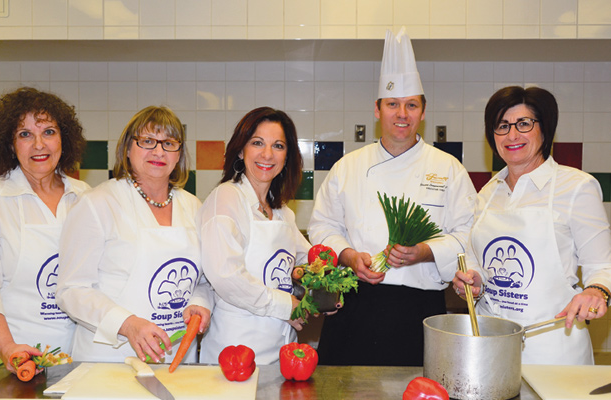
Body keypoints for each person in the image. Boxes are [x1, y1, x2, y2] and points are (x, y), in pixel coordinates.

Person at [307, 28, 477, 366]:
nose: (402, 114)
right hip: (354, 307)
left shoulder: (449, 169)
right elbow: (322, 226)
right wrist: (349, 255)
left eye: (411, 105)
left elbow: (469, 235)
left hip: (421, 312)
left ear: (423, 112)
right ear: (377, 109)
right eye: (393, 104)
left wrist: (424, 252)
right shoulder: (348, 167)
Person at [452, 86, 611, 365]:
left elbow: (603, 267)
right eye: (502, 126)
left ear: (544, 129)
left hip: (554, 351)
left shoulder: (576, 187)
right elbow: (477, 263)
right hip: (491, 348)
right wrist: (474, 281)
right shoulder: (487, 194)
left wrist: (596, 291)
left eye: (524, 123)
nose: (512, 135)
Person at [56, 106, 212, 363]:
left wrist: (200, 302)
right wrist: (128, 324)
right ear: (128, 149)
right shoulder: (97, 204)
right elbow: (71, 290)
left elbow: (205, 281)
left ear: (179, 155)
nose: (159, 151)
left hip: (177, 358)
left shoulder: (194, 207)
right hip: (111, 358)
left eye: (169, 143)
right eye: (148, 141)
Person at [0, 87, 89, 373]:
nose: (39, 144)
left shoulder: (85, 197)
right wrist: (9, 349)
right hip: (0, 357)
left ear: (64, 140)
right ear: (10, 144)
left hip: (69, 358)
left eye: (49, 132)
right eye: (25, 134)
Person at [197, 106, 310, 365]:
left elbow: (308, 263)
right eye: (257, 143)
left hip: (283, 350)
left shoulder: (282, 211)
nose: (267, 154)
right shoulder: (225, 199)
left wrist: (324, 291)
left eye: (278, 146)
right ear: (240, 149)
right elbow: (226, 278)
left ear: (287, 156)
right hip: (236, 353)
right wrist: (287, 306)